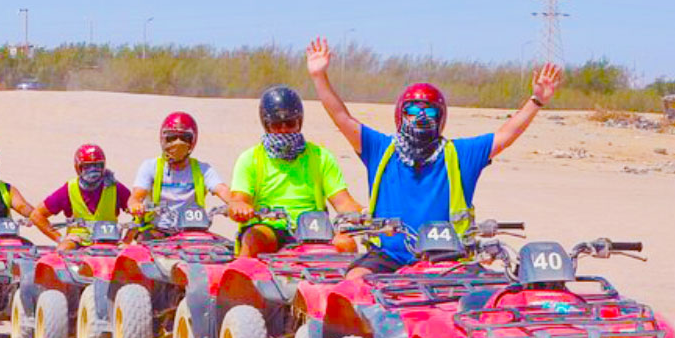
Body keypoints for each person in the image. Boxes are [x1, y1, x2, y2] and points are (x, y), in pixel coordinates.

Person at [305, 37, 562, 273]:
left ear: (441, 117)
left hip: (446, 257)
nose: (421, 117)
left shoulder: (459, 155)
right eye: (413, 110)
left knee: (490, 294)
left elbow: (505, 135)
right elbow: (341, 117)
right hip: (387, 255)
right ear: (400, 114)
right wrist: (319, 77)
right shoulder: (380, 149)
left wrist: (536, 101)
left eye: (429, 112)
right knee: (355, 281)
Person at [226, 86, 362, 256]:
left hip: (314, 228)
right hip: (268, 228)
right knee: (254, 238)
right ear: (266, 125)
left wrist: (366, 214)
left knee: (346, 243)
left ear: (299, 122)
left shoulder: (320, 156)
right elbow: (239, 200)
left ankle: (342, 282)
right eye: (276, 125)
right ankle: (241, 278)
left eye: (290, 123)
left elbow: (343, 202)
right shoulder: (250, 158)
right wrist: (239, 207)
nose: (284, 130)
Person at [129, 111, 236, 223]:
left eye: (184, 138)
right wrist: (135, 204)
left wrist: (235, 203)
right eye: (172, 137)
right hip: (157, 230)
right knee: (141, 238)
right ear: (163, 139)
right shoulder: (150, 167)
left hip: (192, 229)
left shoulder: (203, 169)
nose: (178, 143)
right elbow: (137, 195)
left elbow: (221, 189)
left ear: (193, 141)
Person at [38, 144, 131, 246]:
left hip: (109, 241)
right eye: (87, 166)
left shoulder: (115, 187)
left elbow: (138, 213)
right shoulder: (69, 189)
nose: (93, 170)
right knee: (64, 249)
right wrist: (60, 239)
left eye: (97, 166)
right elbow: (37, 215)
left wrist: (127, 240)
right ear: (78, 168)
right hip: (78, 241)